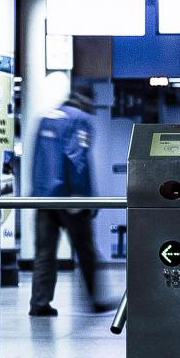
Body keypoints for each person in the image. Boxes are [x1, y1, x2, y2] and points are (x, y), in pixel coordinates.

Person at [29, 90, 114, 316]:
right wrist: (84, 197)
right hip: (69, 197)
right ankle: (95, 300)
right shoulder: (79, 119)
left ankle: (39, 302)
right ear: (85, 102)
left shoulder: (46, 117)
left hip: (43, 196)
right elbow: (77, 159)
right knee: (85, 250)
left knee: (44, 252)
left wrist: (37, 191)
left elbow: (37, 159)